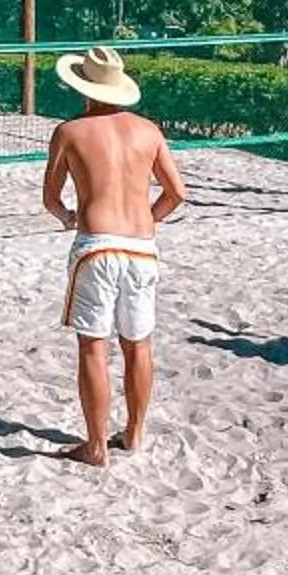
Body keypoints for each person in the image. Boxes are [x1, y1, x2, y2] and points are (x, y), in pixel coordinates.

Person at [42, 44, 187, 465]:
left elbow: (50, 198)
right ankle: (136, 433)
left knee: (93, 348)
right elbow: (177, 193)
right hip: (141, 247)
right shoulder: (149, 131)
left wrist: (70, 217)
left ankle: (96, 445)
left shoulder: (69, 131)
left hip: (97, 246)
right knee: (138, 345)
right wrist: (148, 220)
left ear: (83, 87)